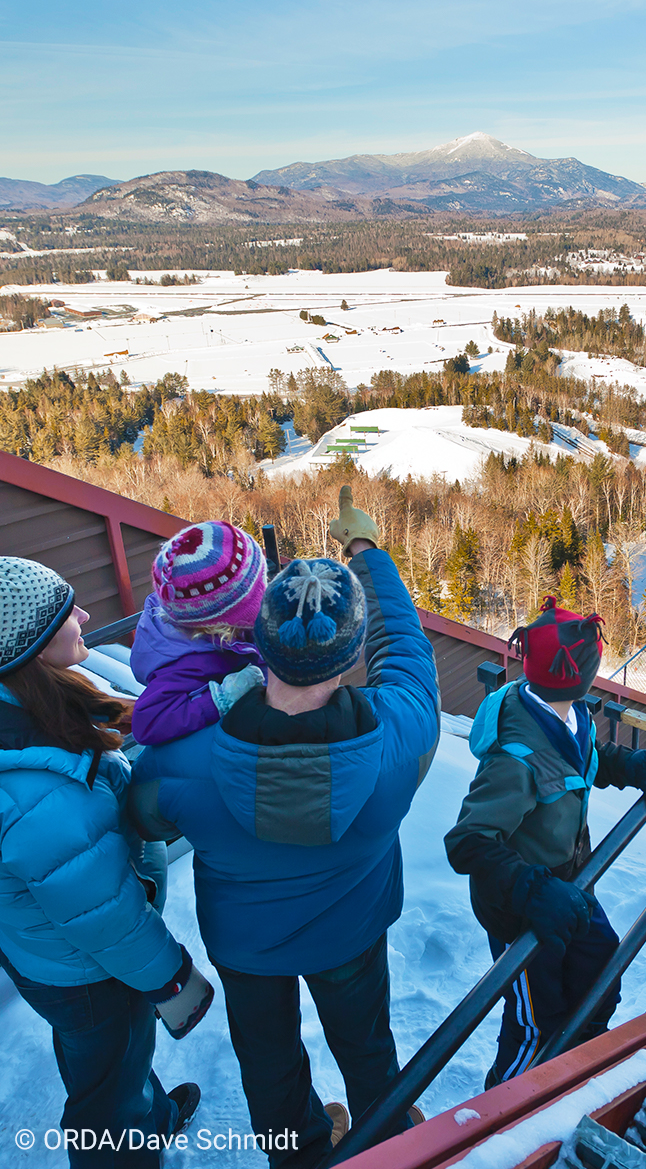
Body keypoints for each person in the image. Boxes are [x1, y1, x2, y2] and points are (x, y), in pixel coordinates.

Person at [131, 487, 440, 1168]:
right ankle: (387, 1142)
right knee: (366, 1046)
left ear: (256, 643)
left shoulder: (180, 759)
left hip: (246, 947)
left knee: (267, 1062)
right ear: (351, 654)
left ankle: (297, 1155)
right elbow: (406, 647)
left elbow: (141, 810)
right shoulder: (401, 734)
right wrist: (364, 552)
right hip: (352, 931)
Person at [0, 557, 205, 1166]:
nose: (86, 616)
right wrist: (169, 975)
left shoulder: (39, 700)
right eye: (66, 613)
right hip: (87, 972)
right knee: (105, 1083)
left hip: (57, 957)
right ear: (27, 646)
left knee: (110, 1056)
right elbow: (100, 915)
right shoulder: (36, 795)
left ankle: (151, 1114)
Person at [445, 596, 646, 1087]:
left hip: (572, 884)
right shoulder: (515, 758)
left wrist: (638, 768)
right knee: (537, 1020)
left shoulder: (565, 711)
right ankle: (505, 1115)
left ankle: (573, 1070)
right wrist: (534, 892)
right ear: (580, 673)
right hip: (524, 909)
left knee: (602, 971)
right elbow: (468, 841)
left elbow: (586, 759)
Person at [131, 520, 267, 746]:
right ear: (218, 624)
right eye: (254, 600)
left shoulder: (205, 613)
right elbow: (147, 723)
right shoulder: (190, 663)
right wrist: (221, 699)